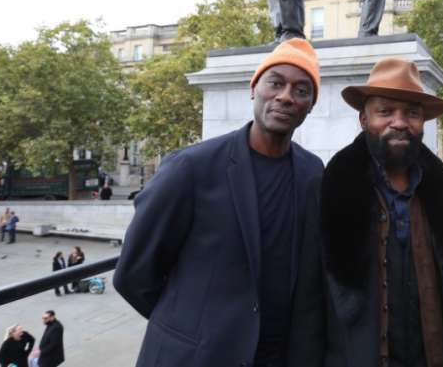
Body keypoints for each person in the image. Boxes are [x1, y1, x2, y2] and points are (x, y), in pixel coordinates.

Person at [114, 39, 323, 366]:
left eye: (301, 90)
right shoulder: (191, 168)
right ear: (254, 89)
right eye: (276, 83)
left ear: (310, 105)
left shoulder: (313, 173)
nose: (286, 96)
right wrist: (189, 327)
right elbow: (133, 274)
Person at [288, 58, 443, 366]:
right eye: (385, 112)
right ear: (364, 119)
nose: (399, 122)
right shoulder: (330, 189)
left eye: (412, 113)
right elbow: (309, 300)